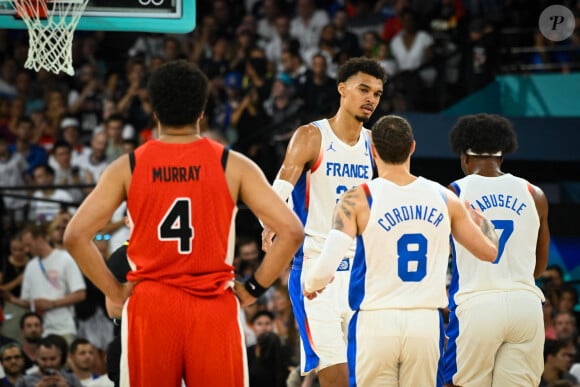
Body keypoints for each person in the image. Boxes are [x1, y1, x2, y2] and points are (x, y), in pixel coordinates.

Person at [63, 60, 304, 387]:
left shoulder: (128, 166)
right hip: (212, 305)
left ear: (154, 111)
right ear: (202, 110)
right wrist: (252, 290)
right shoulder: (233, 164)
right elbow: (291, 232)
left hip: (151, 305)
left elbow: (75, 236)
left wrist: (115, 290)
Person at [302, 115, 498, 386]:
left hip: (376, 322)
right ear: (412, 148)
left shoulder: (357, 197)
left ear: (373, 150)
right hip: (425, 323)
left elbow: (325, 267)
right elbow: (489, 252)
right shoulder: (445, 197)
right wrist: (481, 220)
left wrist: (311, 284)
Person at [262, 56, 386, 386]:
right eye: (363, 89)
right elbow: (283, 183)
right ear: (342, 89)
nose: (371, 98)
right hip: (318, 273)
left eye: (377, 93)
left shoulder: (374, 144)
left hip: (362, 275)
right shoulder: (311, 135)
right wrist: (271, 222)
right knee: (335, 378)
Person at [443, 113, 550, 386]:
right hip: (526, 306)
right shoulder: (534, 193)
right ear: (501, 156)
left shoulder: (454, 193)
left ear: (465, 158)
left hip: (477, 304)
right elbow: (539, 267)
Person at [6, 223, 86, 344]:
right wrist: (12, 299)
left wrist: (52, 304)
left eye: (29, 245)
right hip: (39, 332)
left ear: (39, 239)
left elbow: (80, 293)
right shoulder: (30, 266)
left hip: (63, 328)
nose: (27, 250)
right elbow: (28, 302)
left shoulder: (65, 259)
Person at [15, 336, 82, 387]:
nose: (48, 364)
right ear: (36, 358)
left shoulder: (72, 379)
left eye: (53, 359)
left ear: (60, 357)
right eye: (44, 359)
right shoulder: (24, 381)